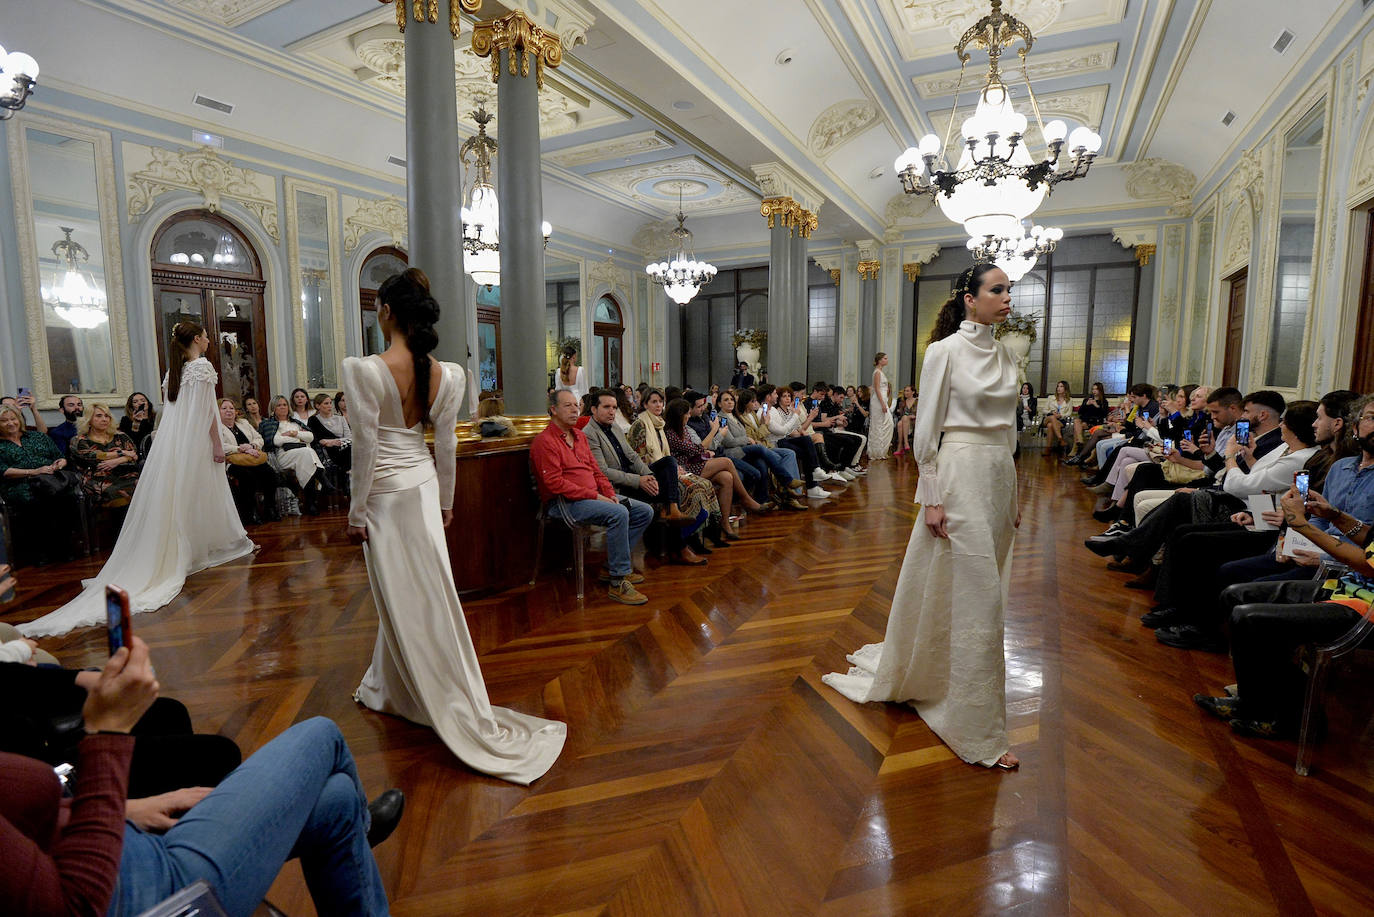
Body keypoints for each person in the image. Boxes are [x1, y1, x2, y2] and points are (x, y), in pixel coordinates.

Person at [345, 268, 566, 783]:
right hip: (421, 490)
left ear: (387, 313)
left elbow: (365, 449)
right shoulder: (450, 374)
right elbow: (445, 445)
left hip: (382, 495)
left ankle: (433, 693)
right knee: (426, 592)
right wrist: (446, 501)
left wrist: (355, 513)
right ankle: (392, 684)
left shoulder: (365, 369)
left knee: (402, 594)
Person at [0, 638, 403, 916]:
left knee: (337, 800)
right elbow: (80, 904)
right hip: (155, 894)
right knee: (321, 735)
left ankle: (355, 829)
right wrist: (107, 735)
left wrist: (121, 809)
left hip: (122, 849)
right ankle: (362, 832)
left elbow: (31, 821)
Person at [824, 263, 1022, 770]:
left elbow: (1008, 431)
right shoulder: (944, 351)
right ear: (969, 299)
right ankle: (977, 725)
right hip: (958, 475)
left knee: (978, 588)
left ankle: (937, 674)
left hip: (997, 479)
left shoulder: (1004, 352)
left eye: (1008, 290)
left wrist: (1014, 495)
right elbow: (928, 427)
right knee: (980, 596)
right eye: (997, 290)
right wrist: (931, 496)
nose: (1006, 298)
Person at [19, 324, 256, 637]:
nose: (210, 340)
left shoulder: (173, 373)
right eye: (206, 335)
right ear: (197, 339)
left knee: (182, 495)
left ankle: (195, 546)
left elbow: (173, 414)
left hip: (175, 445)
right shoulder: (201, 366)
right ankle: (210, 545)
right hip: (196, 442)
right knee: (201, 493)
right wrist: (215, 444)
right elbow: (208, 412)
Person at [534, 388, 655, 603]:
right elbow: (555, 484)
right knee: (619, 513)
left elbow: (597, 471)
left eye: (575, 405)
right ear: (553, 410)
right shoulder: (545, 441)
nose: (574, 409)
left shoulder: (579, 436)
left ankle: (612, 567)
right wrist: (596, 496)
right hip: (565, 503)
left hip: (592, 497)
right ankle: (618, 583)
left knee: (644, 511)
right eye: (567, 405)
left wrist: (609, 493)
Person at [584, 388, 707, 565]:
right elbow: (603, 471)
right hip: (616, 487)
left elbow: (632, 457)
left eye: (614, 407)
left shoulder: (615, 427)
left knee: (669, 463)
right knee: (671, 491)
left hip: (634, 476)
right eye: (606, 407)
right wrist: (638, 480)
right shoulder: (589, 433)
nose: (612, 411)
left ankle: (672, 513)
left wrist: (649, 476)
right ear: (594, 409)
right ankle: (679, 547)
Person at [627, 387, 724, 556]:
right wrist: (670, 468)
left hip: (668, 470)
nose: (658, 405)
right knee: (695, 488)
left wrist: (674, 468)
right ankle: (679, 537)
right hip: (649, 474)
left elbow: (667, 454)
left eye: (660, 401)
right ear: (644, 404)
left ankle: (696, 536)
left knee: (704, 485)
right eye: (653, 402)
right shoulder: (640, 424)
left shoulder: (659, 424)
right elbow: (637, 459)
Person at [0, 403, 84, 564]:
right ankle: (39, 552)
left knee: (66, 498)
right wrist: (34, 471)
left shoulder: (38, 437)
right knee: (35, 502)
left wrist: (59, 463)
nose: (10, 423)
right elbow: (3, 471)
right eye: (4, 421)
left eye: (13, 419)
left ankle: (63, 548)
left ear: (19, 420)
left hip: (50, 481)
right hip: (19, 484)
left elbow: (60, 456)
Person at [260, 394, 326, 515]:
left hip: (301, 454)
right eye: (279, 405)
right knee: (307, 452)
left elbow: (310, 437)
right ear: (273, 408)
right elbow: (275, 441)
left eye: (284, 405)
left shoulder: (296, 422)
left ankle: (310, 504)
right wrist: (298, 437)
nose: (282, 407)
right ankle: (321, 482)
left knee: (306, 459)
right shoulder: (267, 423)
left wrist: (292, 433)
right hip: (282, 456)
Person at [219, 397, 279, 525]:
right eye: (224, 408)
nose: (228, 411)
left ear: (236, 411)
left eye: (231, 408)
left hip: (253, 458)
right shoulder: (216, 428)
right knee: (247, 478)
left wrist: (251, 446)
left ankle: (270, 508)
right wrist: (240, 448)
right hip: (233, 462)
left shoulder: (244, 423)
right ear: (217, 411)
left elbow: (259, 438)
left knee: (270, 474)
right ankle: (250, 512)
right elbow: (219, 446)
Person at [69, 402, 140, 509]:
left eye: (107, 416)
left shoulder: (120, 436)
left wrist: (117, 461)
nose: (104, 419)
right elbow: (94, 457)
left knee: (145, 486)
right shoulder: (80, 440)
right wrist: (122, 453)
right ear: (89, 419)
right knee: (115, 492)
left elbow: (134, 455)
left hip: (126, 474)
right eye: (99, 416)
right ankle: (123, 525)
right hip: (97, 478)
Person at [308, 391, 352, 486]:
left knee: (353, 445)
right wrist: (330, 443)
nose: (329, 406)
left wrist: (333, 441)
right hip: (328, 451)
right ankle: (348, 476)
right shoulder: (313, 420)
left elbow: (349, 437)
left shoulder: (340, 418)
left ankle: (349, 475)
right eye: (326, 403)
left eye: (330, 403)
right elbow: (316, 440)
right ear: (317, 406)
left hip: (344, 445)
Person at [869, 352, 894, 460]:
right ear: (879, 360)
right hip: (878, 402)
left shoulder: (880, 372)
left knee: (887, 424)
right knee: (879, 425)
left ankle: (882, 450)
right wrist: (883, 404)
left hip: (882, 400)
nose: (887, 360)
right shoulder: (877, 372)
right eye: (885, 358)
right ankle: (877, 452)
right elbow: (877, 389)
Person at [893, 386, 917, 456]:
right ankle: (905, 443)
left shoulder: (918, 401)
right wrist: (908, 416)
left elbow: (922, 413)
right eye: (905, 391)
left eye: (907, 391)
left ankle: (900, 446)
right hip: (905, 421)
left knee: (901, 422)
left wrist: (914, 416)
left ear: (913, 392)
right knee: (901, 422)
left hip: (915, 421)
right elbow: (901, 415)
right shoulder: (902, 402)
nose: (905, 392)